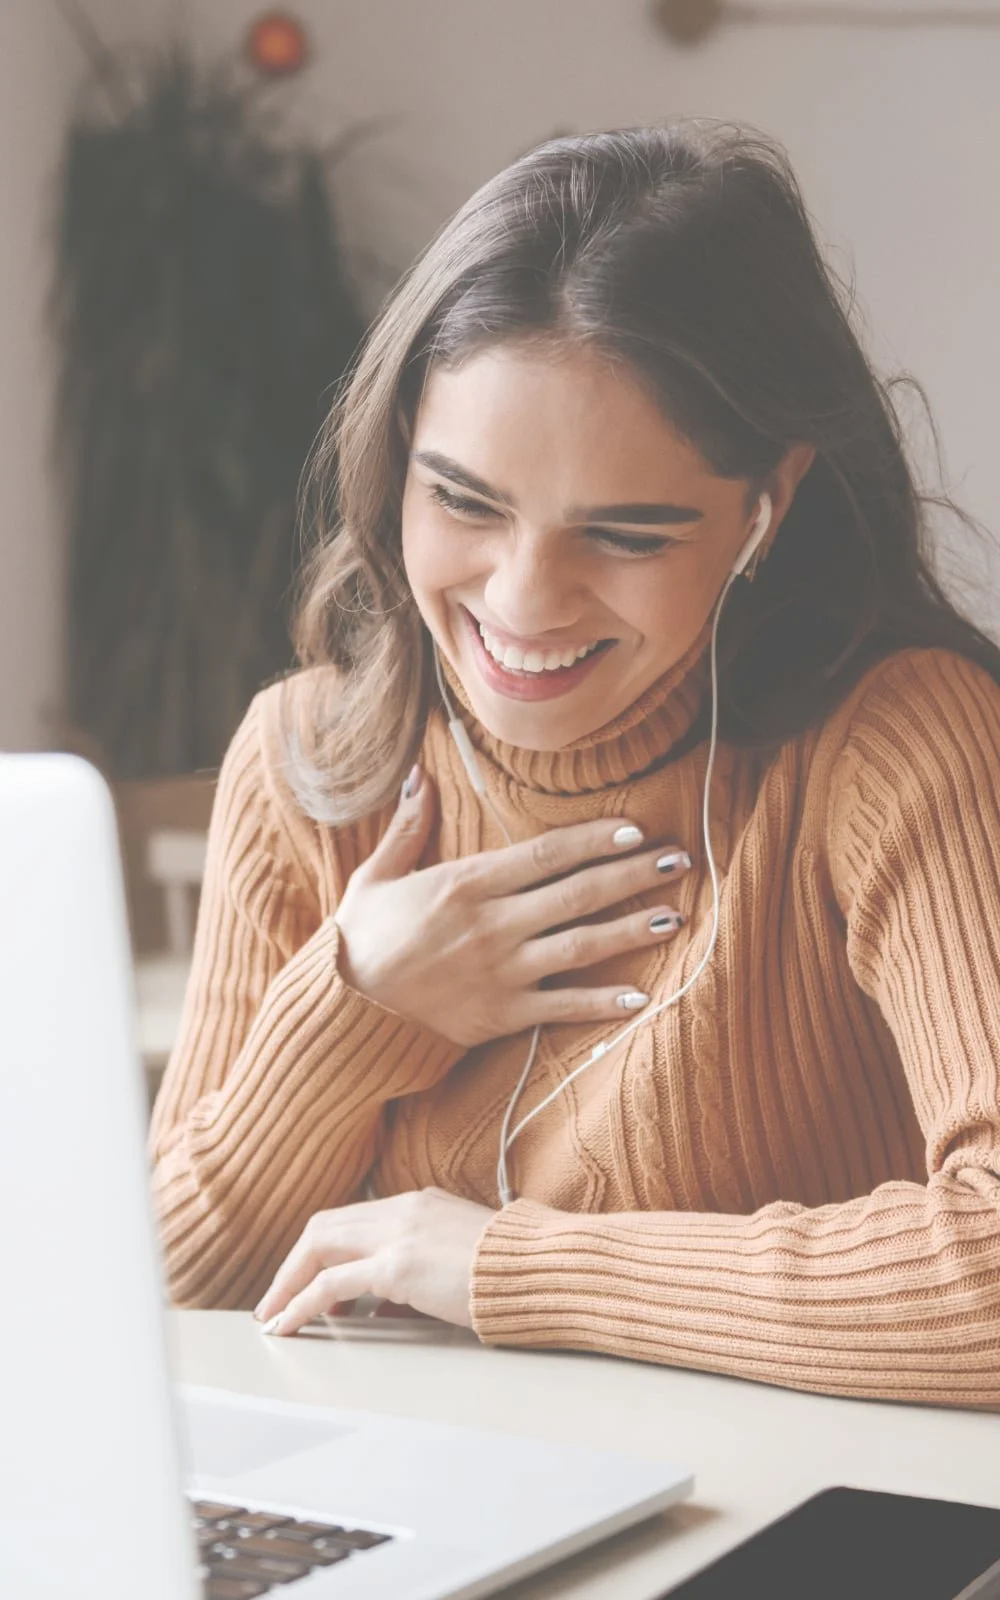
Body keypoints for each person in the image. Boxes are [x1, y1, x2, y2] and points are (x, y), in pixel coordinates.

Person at [150, 121, 1000, 1409]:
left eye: (625, 533)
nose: (524, 602)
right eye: (465, 502)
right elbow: (166, 1278)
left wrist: (509, 1265)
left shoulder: (894, 745)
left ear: (764, 508)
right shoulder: (307, 758)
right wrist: (361, 1008)